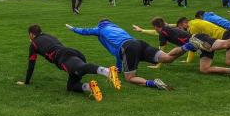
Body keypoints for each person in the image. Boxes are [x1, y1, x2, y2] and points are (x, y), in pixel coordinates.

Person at [67, 19, 198, 90]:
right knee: (168, 58)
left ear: (100, 24)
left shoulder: (100, 29)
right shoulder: (117, 27)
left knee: (129, 78)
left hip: (128, 48)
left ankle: (152, 83)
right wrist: (118, 68)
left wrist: (73, 28)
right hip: (139, 43)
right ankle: (188, 46)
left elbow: (84, 31)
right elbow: (119, 56)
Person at [134, 17, 230, 75]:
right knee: (204, 69)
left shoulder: (163, 33)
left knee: (225, 44)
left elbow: (162, 51)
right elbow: (164, 31)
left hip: (198, 39)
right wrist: (142, 30)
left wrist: (158, 64)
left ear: (156, 26)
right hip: (198, 43)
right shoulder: (166, 27)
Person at [16, 25, 120, 101]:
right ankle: (90, 87)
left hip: (63, 58)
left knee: (80, 68)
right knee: (71, 86)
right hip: (75, 53)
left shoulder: (34, 44)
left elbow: (31, 64)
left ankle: (107, 71)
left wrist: (26, 82)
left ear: (31, 34)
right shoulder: (48, 36)